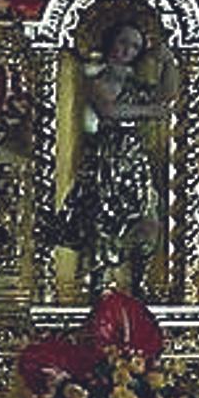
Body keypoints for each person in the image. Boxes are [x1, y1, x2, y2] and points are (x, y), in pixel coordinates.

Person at [55, 19, 177, 296]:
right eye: (123, 43)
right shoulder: (97, 80)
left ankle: (139, 282)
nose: (127, 50)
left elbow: (166, 97)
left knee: (146, 215)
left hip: (135, 157)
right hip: (109, 156)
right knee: (104, 216)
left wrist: (168, 63)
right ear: (111, 43)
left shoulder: (136, 82)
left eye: (134, 46)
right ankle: (96, 282)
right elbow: (110, 111)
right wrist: (150, 112)